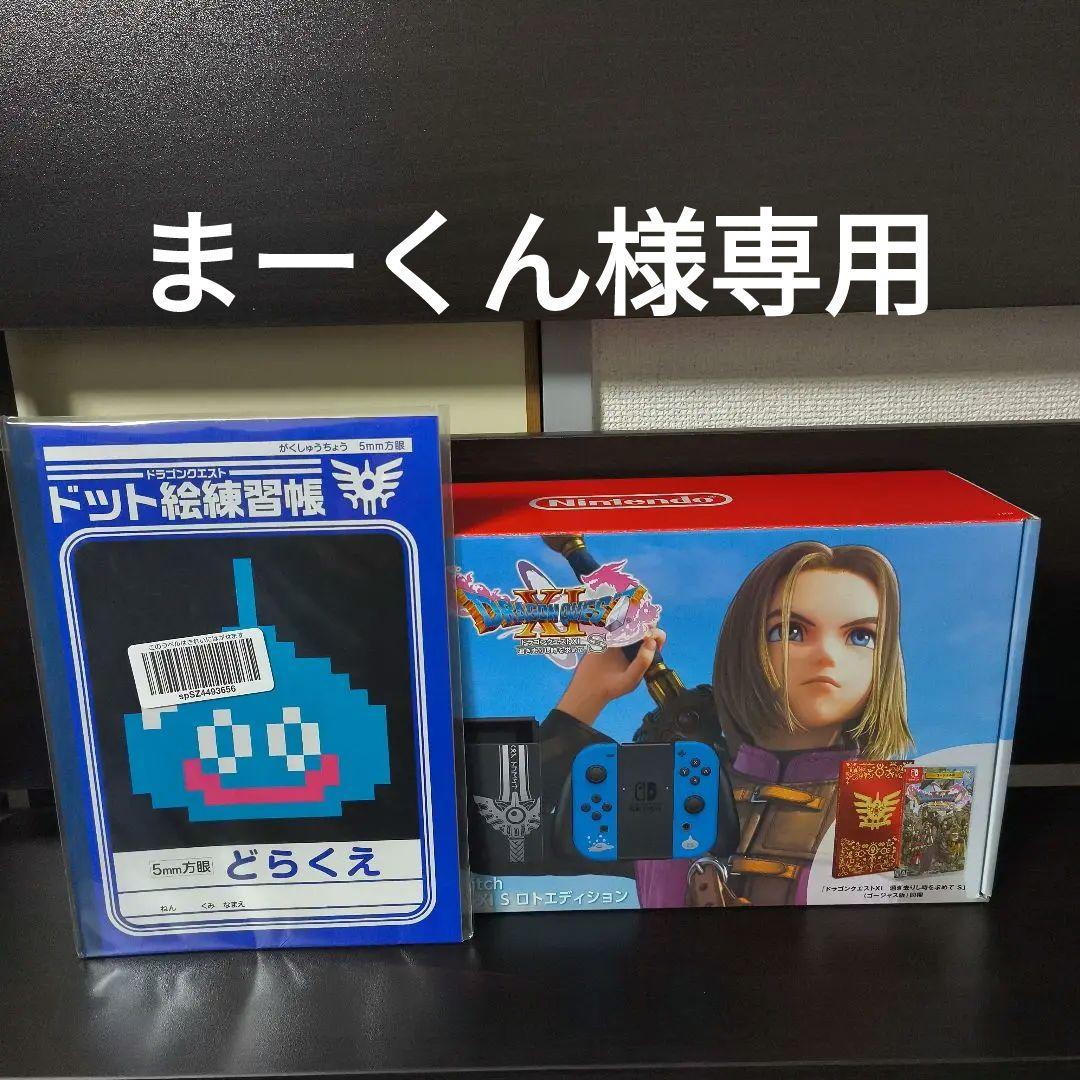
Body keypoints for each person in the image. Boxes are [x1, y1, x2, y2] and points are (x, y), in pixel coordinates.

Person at [542, 541, 913, 906]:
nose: (827, 655)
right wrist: (588, 694)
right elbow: (519, 834)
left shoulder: (888, 799)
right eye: (790, 631)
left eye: (861, 636)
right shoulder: (677, 786)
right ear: (746, 644)